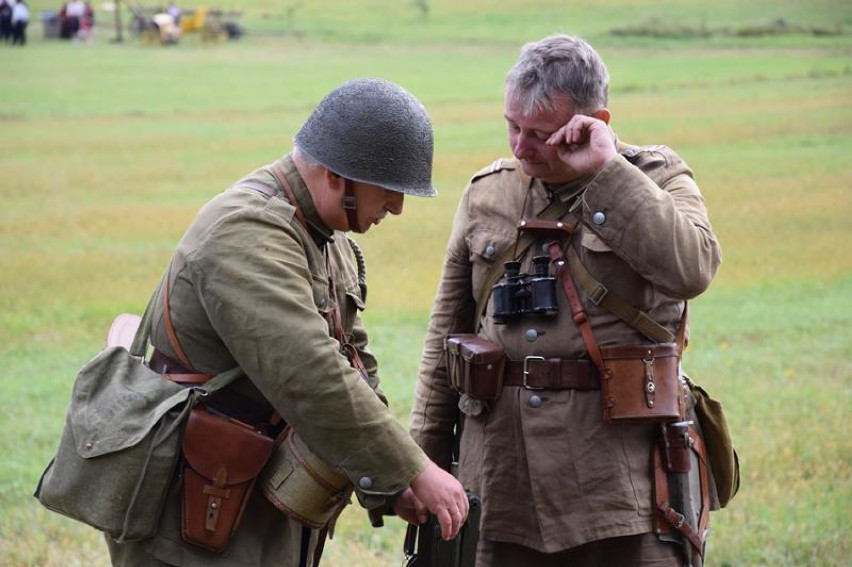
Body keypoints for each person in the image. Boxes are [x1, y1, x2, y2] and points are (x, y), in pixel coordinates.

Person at [105, 78, 470, 566]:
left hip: (248, 502)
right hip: (189, 517)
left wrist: (393, 484)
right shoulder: (246, 230)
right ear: (337, 175)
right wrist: (414, 468)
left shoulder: (325, 235)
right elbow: (312, 374)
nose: (397, 207)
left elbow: (354, 365)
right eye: (387, 189)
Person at [408, 34, 723, 567]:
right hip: (498, 482)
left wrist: (607, 172)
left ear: (594, 119)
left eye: (541, 134)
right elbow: (446, 338)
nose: (520, 148)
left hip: (621, 490)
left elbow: (694, 267)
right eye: (513, 127)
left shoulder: (656, 178)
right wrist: (423, 463)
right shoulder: (489, 192)